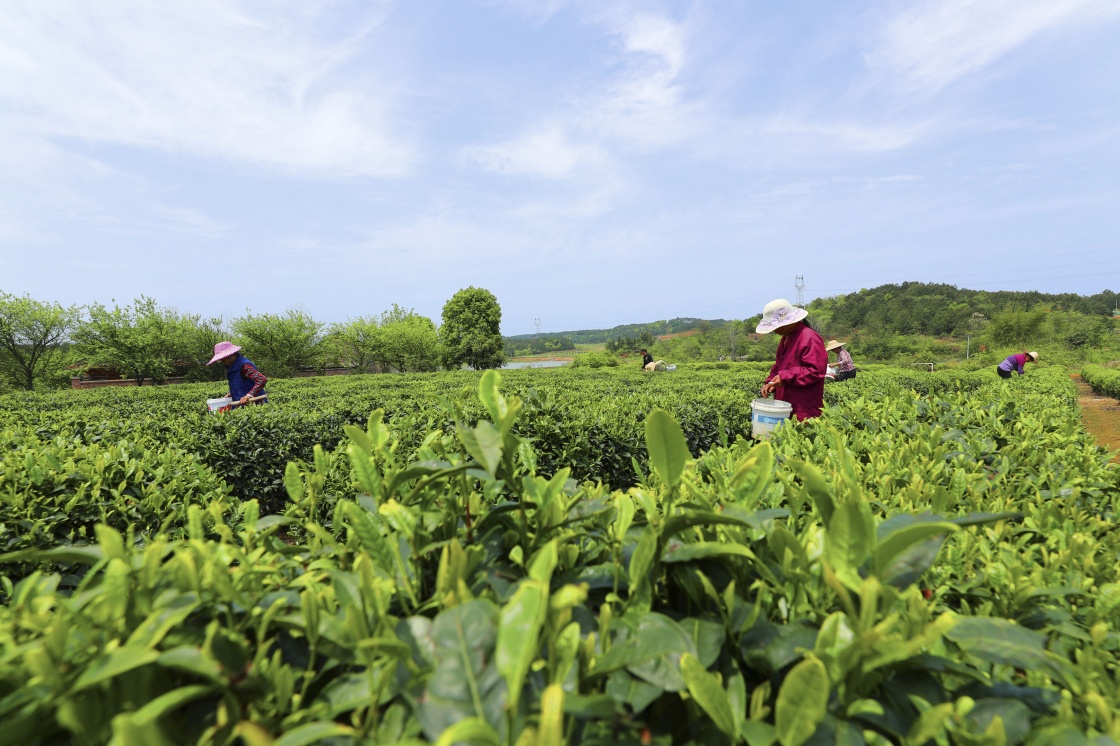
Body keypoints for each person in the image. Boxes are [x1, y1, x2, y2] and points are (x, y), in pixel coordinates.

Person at [757, 299, 827, 420]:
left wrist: (785, 377)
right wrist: (771, 382)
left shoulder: (809, 338)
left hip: (803, 408)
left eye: (776, 327)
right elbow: (779, 366)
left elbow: (815, 371)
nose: (774, 330)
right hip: (785, 404)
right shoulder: (786, 338)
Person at [207, 341, 268, 405]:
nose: (221, 361)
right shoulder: (232, 366)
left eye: (222, 358)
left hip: (255, 405)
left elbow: (261, 379)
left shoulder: (245, 366)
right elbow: (243, 383)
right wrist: (233, 393)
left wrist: (249, 395)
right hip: (241, 406)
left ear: (229, 356)